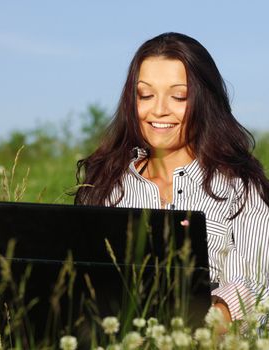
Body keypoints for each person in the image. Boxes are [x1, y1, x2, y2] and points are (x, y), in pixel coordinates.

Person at [74, 32, 269, 328]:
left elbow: (256, 284)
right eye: (145, 95)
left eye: (179, 96)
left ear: (205, 101)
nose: (159, 109)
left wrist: (207, 325)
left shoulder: (240, 187)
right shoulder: (105, 187)